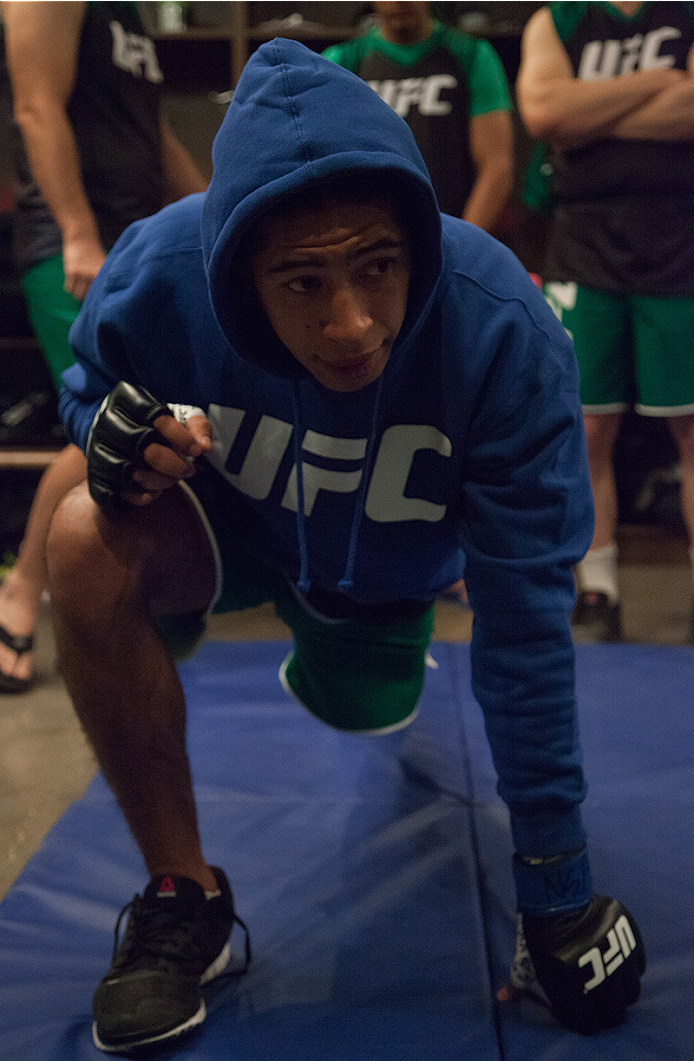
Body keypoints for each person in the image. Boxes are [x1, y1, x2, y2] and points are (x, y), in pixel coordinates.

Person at [47, 39, 645, 1054]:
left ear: (415, 239)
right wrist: (101, 428)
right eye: (303, 281)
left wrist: (555, 886)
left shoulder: (500, 326)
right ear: (235, 270)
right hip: (237, 535)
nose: (352, 321)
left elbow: (524, 622)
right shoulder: (160, 266)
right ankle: (181, 894)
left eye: (377, 264)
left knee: (362, 706)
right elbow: (87, 385)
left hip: (389, 575)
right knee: (78, 537)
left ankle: (354, 643)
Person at [0, 0, 207, 692]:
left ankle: (108, 596)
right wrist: (77, 231)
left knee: (143, 422)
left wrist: (221, 216)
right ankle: (22, 588)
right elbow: (34, 105)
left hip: (136, 240)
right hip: (78, 249)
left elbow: (154, 135)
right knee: (104, 423)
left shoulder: (130, 13)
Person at [516, 0, 694, 642]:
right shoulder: (556, 21)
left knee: (693, 428)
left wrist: (589, 113)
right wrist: (658, 83)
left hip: (684, 248)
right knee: (586, 429)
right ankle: (598, 591)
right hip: (584, 249)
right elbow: (545, 114)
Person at [323, 0, 513, 232]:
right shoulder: (342, 61)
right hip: (369, 237)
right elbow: (326, 169)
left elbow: (496, 166)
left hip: (451, 227)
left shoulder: (471, 54)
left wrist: (463, 243)